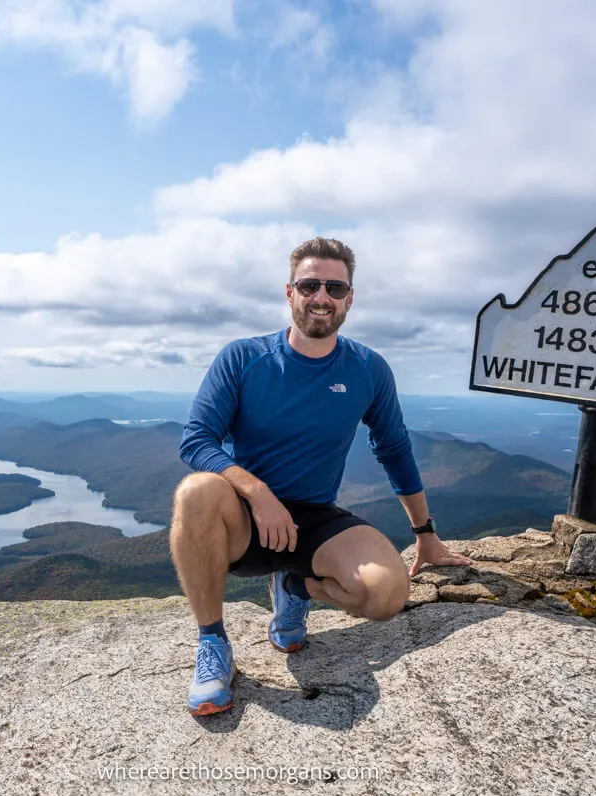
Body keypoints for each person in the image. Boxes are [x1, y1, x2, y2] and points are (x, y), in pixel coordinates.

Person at [171, 236, 473, 716]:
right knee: (195, 492)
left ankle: (294, 589)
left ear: (350, 299)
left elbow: (393, 448)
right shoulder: (244, 359)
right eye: (310, 285)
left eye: (335, 287)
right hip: (245, 521)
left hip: (312, 520)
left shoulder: (367, 368)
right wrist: (257, 492)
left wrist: (426, 536)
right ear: (289, 292)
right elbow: (196, 440)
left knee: (386, 595)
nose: (322, 297)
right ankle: (213, 645)